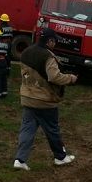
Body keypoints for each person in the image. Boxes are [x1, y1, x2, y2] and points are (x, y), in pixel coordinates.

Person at [13, 27, 78, 170]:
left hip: (27, 96)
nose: (55, 44)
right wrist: (70, 79)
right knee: (52, 129)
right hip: (44, 100)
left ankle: (20, 160)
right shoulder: (47, 56)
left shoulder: (26, 52)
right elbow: (54, 76)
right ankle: (60, 157)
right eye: (54, 41)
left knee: (27, 129)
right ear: (49, 41)